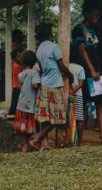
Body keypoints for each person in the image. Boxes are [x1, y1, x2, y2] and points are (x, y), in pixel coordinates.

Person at [71, 0, 102, 143]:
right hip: (86, 71)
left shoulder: (97, 29)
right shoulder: (78, 29)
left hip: (98, 71)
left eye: (97, 15)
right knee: (83, 103)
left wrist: (99, 70)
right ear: (86, 14)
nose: (96, 18)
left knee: (101, 102)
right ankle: (78, 137)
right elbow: (82, 51)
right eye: (94, 15)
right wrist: (92, 70)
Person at [30, 23, 73, 151]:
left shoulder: (39, 49)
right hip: (55, 86)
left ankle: (44, 144)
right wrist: (70, 76)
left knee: (45, 117)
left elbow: (42, 68)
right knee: (57, 118)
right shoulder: (54, 47)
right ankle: (36, 139)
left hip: (44, 85)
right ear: (50, 34)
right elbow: (62, 66)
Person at [13, 50, 40, 152]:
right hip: (31, 104)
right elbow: (35, 85)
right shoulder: (34, 73)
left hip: (21, 104)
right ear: (34, 62)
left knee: (22, 126)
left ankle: (24, 144)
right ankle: (26, 144)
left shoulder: (21, 74)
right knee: (29, 126)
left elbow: (20, 86)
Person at [69, 48, 86, 145]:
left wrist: (70, 91)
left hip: (67, 95)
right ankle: (80, 141)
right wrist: (74, 91)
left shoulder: (66, 67)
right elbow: (81, 83)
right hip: (78, 95)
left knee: (69, 118)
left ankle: (68, 140)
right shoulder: (80, 68)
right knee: (79, 118)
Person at [7, 47, 25, 119]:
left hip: (16, 86)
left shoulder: (14, 64)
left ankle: (12, 114)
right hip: (17, 86)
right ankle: (12, 115)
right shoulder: (17, 66)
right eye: (19, 56)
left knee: (15, 101)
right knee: (15, 102)